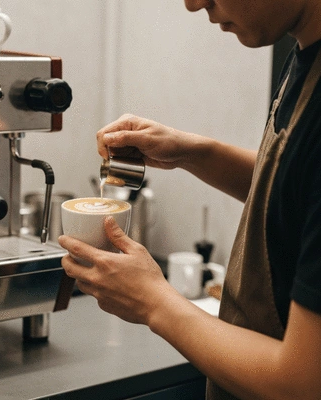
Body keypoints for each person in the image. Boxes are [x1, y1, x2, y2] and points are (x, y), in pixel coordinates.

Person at [58, 0, 321, 399]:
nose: (193, 3)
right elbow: (297, 190)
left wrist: (153, 301)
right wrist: (194, 154)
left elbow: (301, 383)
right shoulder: (304, 52)